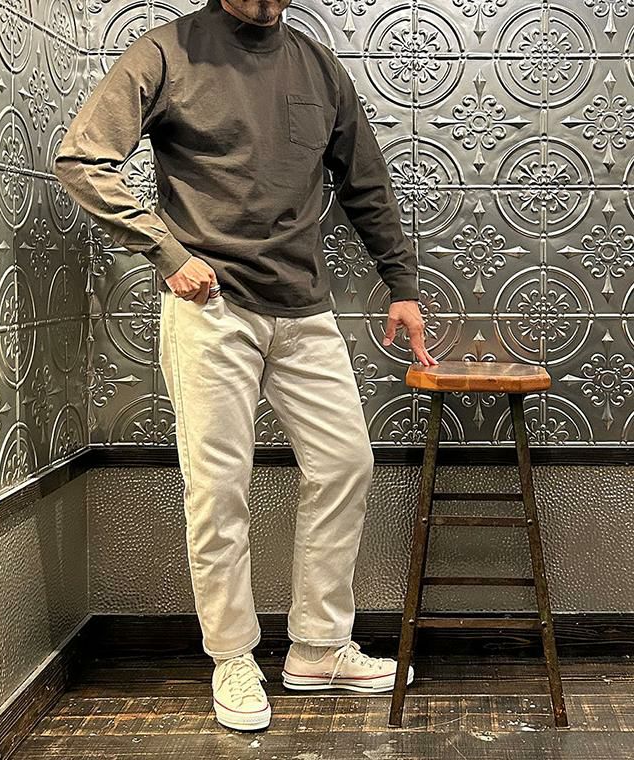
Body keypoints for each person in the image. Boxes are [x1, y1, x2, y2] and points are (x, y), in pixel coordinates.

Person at [54, 0, 438, 733]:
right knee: (218, 486)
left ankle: (319, 648)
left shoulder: (318, 66)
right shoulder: (165, 51)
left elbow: (365, 183)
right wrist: (167, 253)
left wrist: (403, 284)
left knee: (346, 464)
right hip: (211, 308)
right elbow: (83, 161)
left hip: (305, 307)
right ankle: (231, 655)